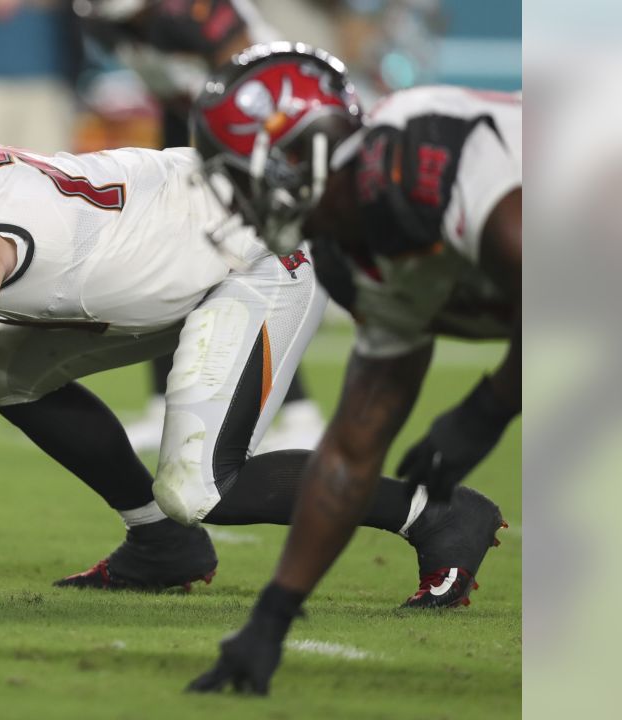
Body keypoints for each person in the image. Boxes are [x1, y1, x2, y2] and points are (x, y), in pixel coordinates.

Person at [0, 58, 501, 601]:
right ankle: (162, 547)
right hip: (160, 249)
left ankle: (433, 512)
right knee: (5, 373)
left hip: (250, 251)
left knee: (201, 487)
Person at [186, 43, 518, 696]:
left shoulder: (428, 155)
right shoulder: (350, 253)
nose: (240, 201)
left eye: (244, 176)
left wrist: (486, 410)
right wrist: (272, 617)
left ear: (302, 150)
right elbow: (354, 445)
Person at [74, 0, 327, 454]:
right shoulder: (107, 21)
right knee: (161, 259)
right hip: (195, 132)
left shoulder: (198, 13)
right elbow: (177, 98)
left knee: (252, 275)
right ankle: (162, 403)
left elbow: (255, 86)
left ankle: (300, 412)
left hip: (260, 132)